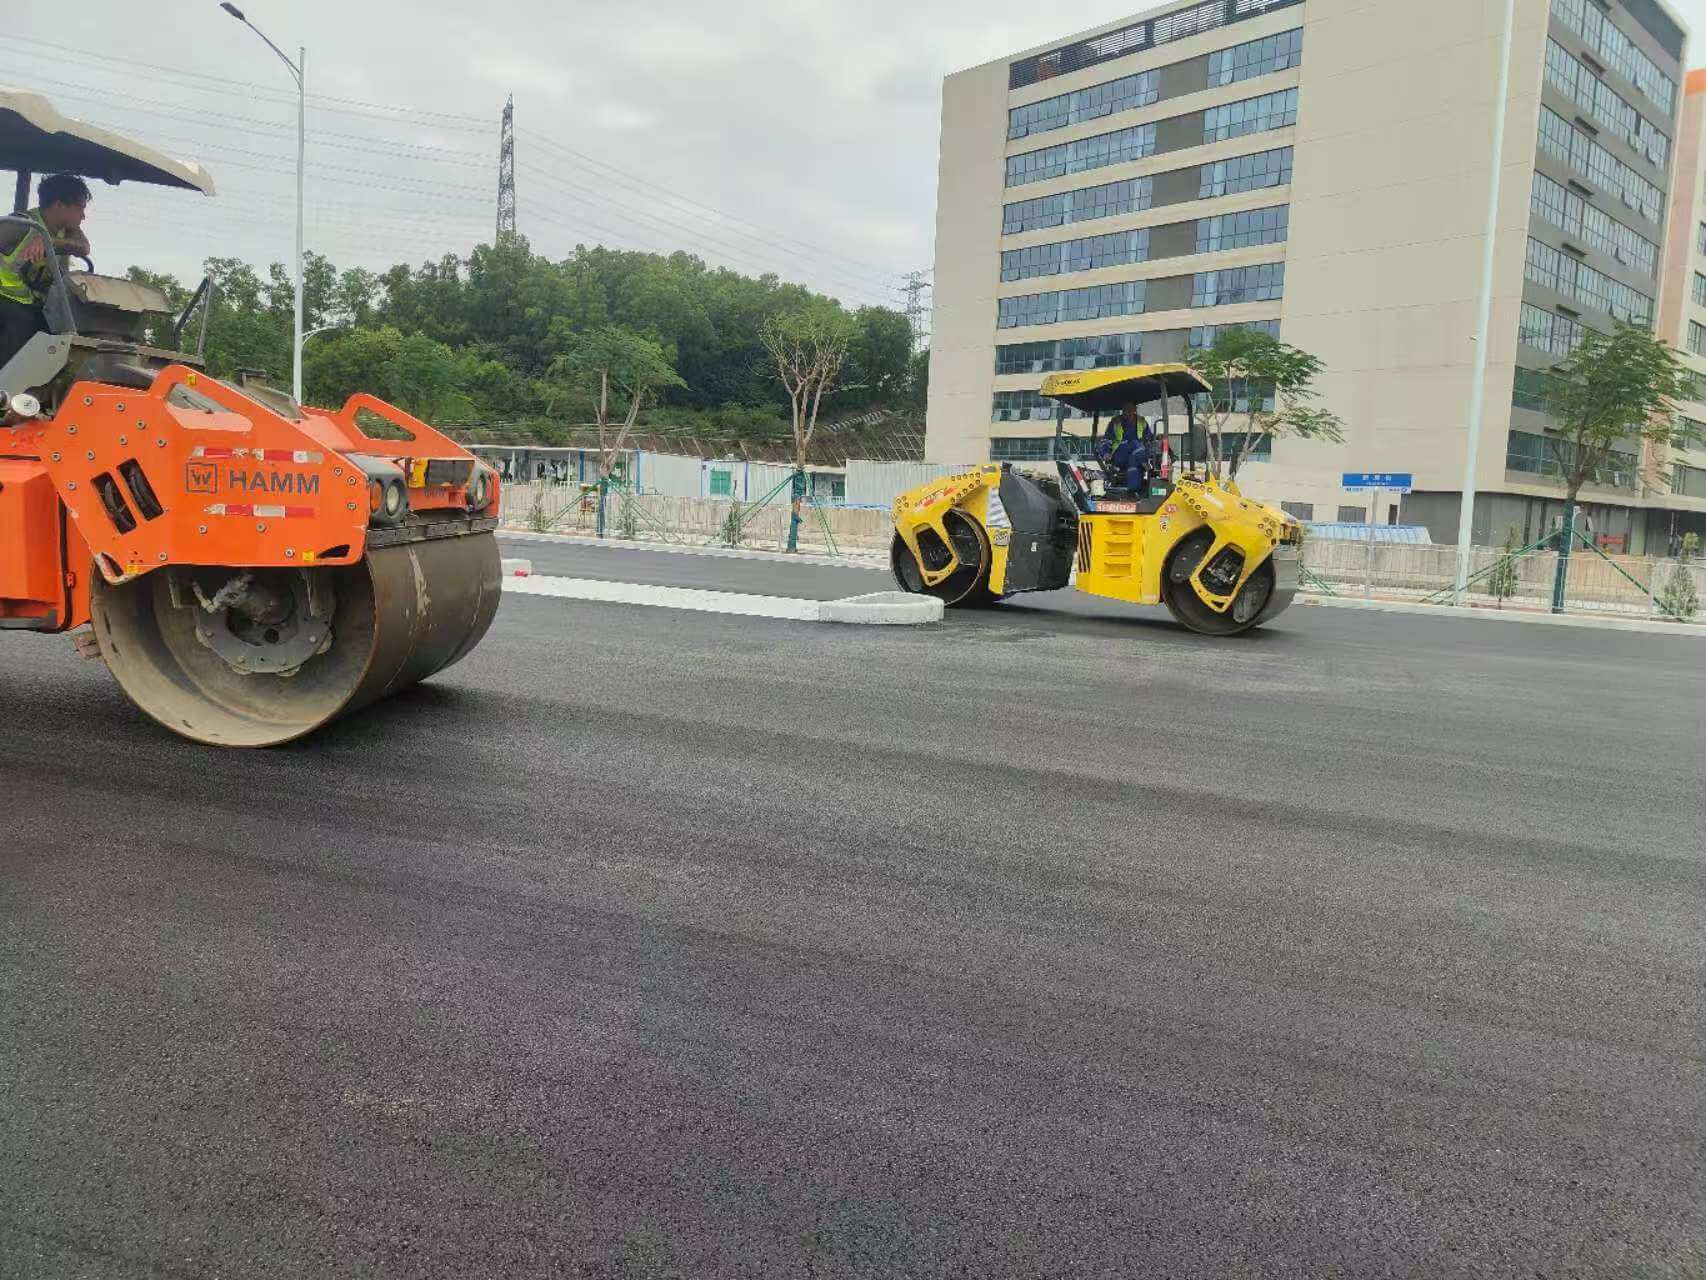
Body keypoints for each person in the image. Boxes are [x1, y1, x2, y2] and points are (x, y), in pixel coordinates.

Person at [0, 174, 93, 371]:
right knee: (22, 327)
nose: (83, 216)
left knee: (65, 332)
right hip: (7, 301)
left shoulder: (66, 231)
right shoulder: (19, 225)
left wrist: (49, 241)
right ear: (59, 205)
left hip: (34, 303)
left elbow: (84, 247)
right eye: (79, 208)